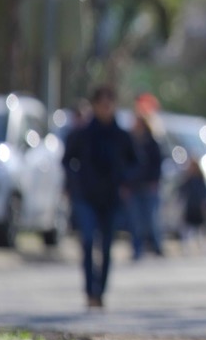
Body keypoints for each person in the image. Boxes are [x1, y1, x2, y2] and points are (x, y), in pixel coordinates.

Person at [62, 85, 136, 309]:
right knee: (87, 241)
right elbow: (68, 161)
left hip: (111, 198)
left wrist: (125, 182)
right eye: (101, 104)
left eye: (109, 104)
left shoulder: (121, 136)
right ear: (94, 105)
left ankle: (100, 291)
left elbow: (135, 163)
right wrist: (74, 184)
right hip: (86, 196)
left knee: (105, 247)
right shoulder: (83, 133)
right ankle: (89, 291)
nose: (105, 108)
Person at [127, 112, 165, 259]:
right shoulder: (130, 141)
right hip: (134, 186)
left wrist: (155, 180)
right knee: (135, 220)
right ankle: (137, 248)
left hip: (149, 186)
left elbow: (158, 164)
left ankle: (157, 245)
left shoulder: (152, 142)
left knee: (152, 219)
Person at [177, 157, 206, 251]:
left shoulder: (201, 180)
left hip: (198, 208)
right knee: (188, 228)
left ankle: (202, 247)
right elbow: (181, 191)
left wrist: (205, 205)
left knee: (200, 228)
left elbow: (205, 194)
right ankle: (186, 247)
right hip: (190, 207)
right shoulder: (187, 180)